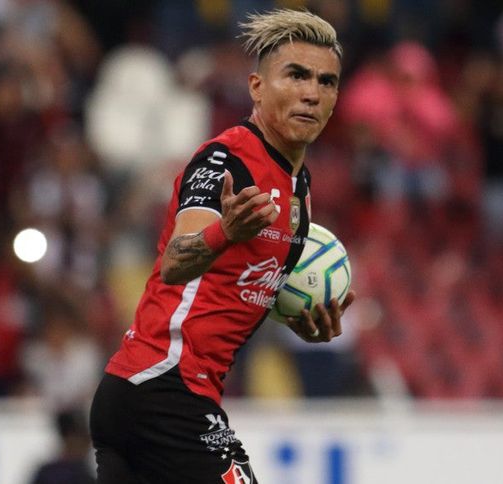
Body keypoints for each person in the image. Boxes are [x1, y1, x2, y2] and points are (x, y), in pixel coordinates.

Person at [89, 9, 355, 483]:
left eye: (326, 81)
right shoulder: (226, 160)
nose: (312, 93)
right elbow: (176, 262)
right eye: (296, 75)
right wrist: (224, 232)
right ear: (257, 87)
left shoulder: (299, 186)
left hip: (153, 392)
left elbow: (235, 288)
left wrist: (301, 321)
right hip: (163, 387)